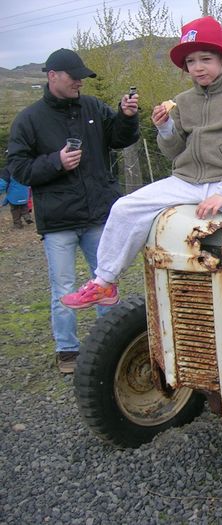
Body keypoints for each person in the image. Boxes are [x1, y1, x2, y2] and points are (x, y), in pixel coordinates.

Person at [60, 16, 222, 336]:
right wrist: (165, 127)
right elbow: (173, 151)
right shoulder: (183, 102)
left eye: (206, 59)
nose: (198, 67)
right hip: (186, 180)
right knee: (125, 207)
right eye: (191, 61)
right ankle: (105, 281)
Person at [7, 48, 140, 373]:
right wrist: (56, 162)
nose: (80, 81)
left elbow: (119, 139)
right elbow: (18, 167)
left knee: (105, 284)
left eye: (82, 76)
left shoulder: (92, 107)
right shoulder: (30, 119)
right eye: (74, 76)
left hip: (97, 215)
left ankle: (112, 347)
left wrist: (126, 115)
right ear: (52, 76)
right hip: (59, 222)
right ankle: (67, 351)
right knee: (63, 288)